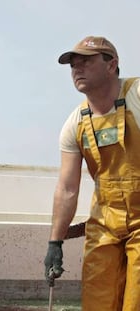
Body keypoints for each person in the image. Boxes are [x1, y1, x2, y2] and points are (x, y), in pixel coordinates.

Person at [44, 36, 140, 310]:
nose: (77, 69)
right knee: (97, 301)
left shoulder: (137, 95)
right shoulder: (75, 124)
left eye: (86, 61)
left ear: (112, 65)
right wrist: (55, 241)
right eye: (73, 64)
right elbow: (67, 188)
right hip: (105, 224)